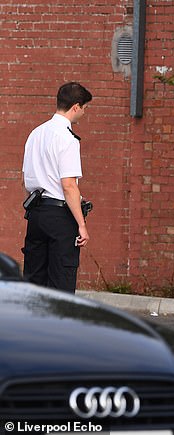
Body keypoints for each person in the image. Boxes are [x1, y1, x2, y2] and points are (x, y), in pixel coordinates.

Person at [21, 82, 93, 293]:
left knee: (34, 281)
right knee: (61, 283)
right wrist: (81, 224)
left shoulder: (35, 134)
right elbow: (69, 185)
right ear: (76, 106)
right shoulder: (68, 139)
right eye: (84, 108)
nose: (83, 113)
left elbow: (25, 180)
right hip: (60, 217)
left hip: (36, 214)